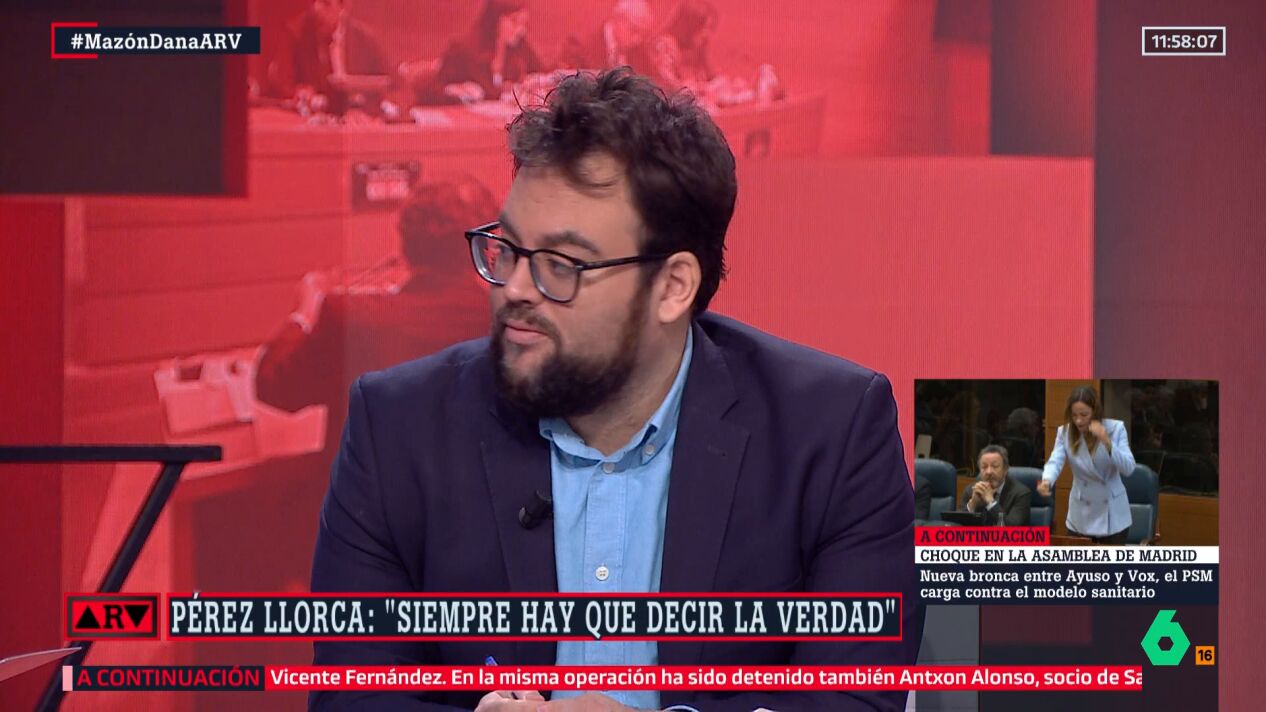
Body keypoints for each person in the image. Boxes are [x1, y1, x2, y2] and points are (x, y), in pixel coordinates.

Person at [310, 68, 920, 711]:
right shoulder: (398, 428)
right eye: (506, 250)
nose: (514, 289)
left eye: (560, 265)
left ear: (673, 287)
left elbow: (854, 701)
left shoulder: (831, 433)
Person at [255, 176, 495, 453]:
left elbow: (274, 386)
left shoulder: (351, 317)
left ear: (405, 243)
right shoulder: (503, 321)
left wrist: (305, 313)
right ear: (482, 247)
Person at [1037, 386, 1137, 544]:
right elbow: (1055, 461)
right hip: (1081, 513)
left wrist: (1107, 441)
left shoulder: (1115, 429)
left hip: (1112, 516)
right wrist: (1047, 480)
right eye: (1074, 415)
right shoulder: (1065, 432)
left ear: (1095, 412)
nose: (1078, 420)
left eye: (1084, 415)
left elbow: (1129, 468)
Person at [416, 0, 547, 105]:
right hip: (465, 124)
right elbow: (430, 92)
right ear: (495, 20)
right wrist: (452, 91)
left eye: (524, 24)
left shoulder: (521, 47)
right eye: (514, 21)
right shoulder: (463, 50)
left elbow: (544, 75)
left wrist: (535, 82)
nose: (520, 30)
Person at [267, 0, 390, 108]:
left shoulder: (365, 39)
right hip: (312, 119)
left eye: (325, 2)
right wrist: (298, 92)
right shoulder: (296, 33)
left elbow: (390, 83)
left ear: (343, 7)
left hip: (357, 118)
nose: (316, 8)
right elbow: (281, 83)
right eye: (314, 1)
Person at [560, 0, 655, 76]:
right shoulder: (581, 47)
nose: (637, 40)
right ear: (619, 19)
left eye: (642, 34)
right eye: (634, 30)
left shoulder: (639, 53)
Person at [649, 0, 718, 91]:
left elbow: (709, 78)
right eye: (704, 28)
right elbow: (667, 85)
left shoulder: (695, 46)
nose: (707, 34)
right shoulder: (664, 46)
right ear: (690, 26)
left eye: (710, 28)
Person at [961, 445, 1031, 526]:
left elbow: (1013, 528)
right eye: (984, 467)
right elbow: (957, 525)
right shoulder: (971, 490)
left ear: (1005, 469)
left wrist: (991, 502)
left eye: (995, 466)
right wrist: (972, 504)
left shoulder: (1021, 494)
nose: (989, 472)